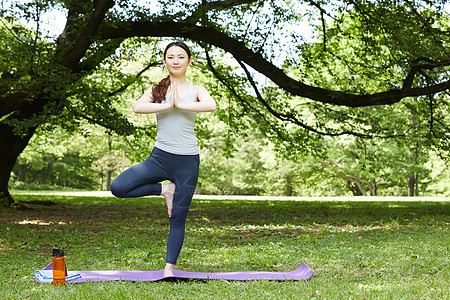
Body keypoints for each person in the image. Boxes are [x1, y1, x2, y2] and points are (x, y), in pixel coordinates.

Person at [111, 41, 216, 276]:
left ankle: (169, 268)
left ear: (190, 61)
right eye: (171, 57)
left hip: (187, 161)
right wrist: (168, 103)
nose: (176, 61)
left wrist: (182, 104)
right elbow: (138, 108)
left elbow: (211, 105)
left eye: (181, 57)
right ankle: (164, 189)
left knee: (178, 217)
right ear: (164, 61)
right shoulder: (157, 89)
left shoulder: (196, 89)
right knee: (118, 187)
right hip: (159, 157)